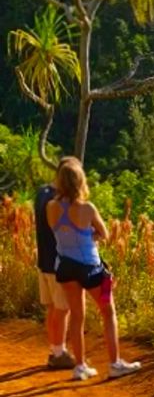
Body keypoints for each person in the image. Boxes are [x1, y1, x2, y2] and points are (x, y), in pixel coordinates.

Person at [46, 158, 141, 381]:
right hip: (91, 268)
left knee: (77, 316)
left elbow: (58, 232)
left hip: (66, 267)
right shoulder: (87, 208)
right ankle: (115, 363)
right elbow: (105, 233)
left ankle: (80, 366)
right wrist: (89, 236)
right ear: (80, 181)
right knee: (108, 312)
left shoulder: (51, 207)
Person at [35, 157, 78, 369]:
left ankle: (54, 350)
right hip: (58, 264)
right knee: (63, 310)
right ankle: (59, 353)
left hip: (43, 261)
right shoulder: (59, 202)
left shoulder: (41, 193)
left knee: (52, 309)